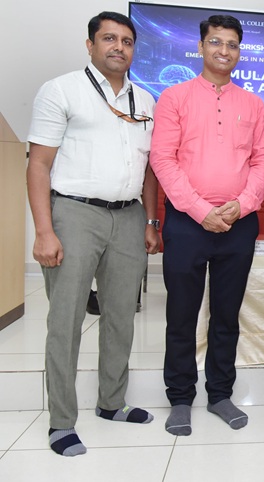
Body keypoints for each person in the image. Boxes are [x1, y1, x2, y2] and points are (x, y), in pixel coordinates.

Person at [26, 11, 159, 456]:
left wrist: (151, 221)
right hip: (74, 214)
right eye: (108, 38)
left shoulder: (145, 100)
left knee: (121, 316)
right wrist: (44, 231)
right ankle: (61, 421)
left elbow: (148, 170)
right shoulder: (62, 90)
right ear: (90, 45)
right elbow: (38, 165)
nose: (118, 47)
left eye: (127, 41)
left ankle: (112, 402)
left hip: (129, 216)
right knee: (66, 321)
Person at [150, 14, 264, 436]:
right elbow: (162, 159)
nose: (224, 50)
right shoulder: (175, 98)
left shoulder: (253, 104)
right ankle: (180, 397)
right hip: (187, 223)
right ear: (201, 46)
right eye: (216, 42)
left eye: (232, 44)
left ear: (240, 52)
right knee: (181, 315)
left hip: (238, 224)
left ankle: (220, 393)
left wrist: (243, 204)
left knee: (226, 315)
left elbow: (263, 161)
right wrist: (200, 209)